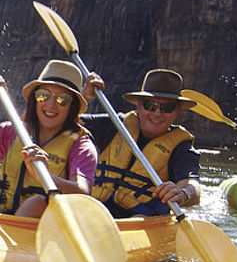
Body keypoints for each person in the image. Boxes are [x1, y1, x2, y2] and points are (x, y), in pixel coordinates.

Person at [0, 60, 98, 219]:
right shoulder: (15, 132)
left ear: (72, 107)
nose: (51, 105)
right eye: (43, 95)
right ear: (34, 99)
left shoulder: (81, 146)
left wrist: (45, 177)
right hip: (2, 214)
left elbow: (82, 191)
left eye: (62, 100)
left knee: (37, 203)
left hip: (39, 227)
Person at [78, 68, 204, 218]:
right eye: (150, 105)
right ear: (138, 106)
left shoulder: (182, 148)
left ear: (177, 111)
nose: (157, 113)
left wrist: (184, 193)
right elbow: (66, 122)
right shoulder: (115, 125)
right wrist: (84, 97)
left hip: (141, 218)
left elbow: (192, 186)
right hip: (93, 209)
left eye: (167, 108)